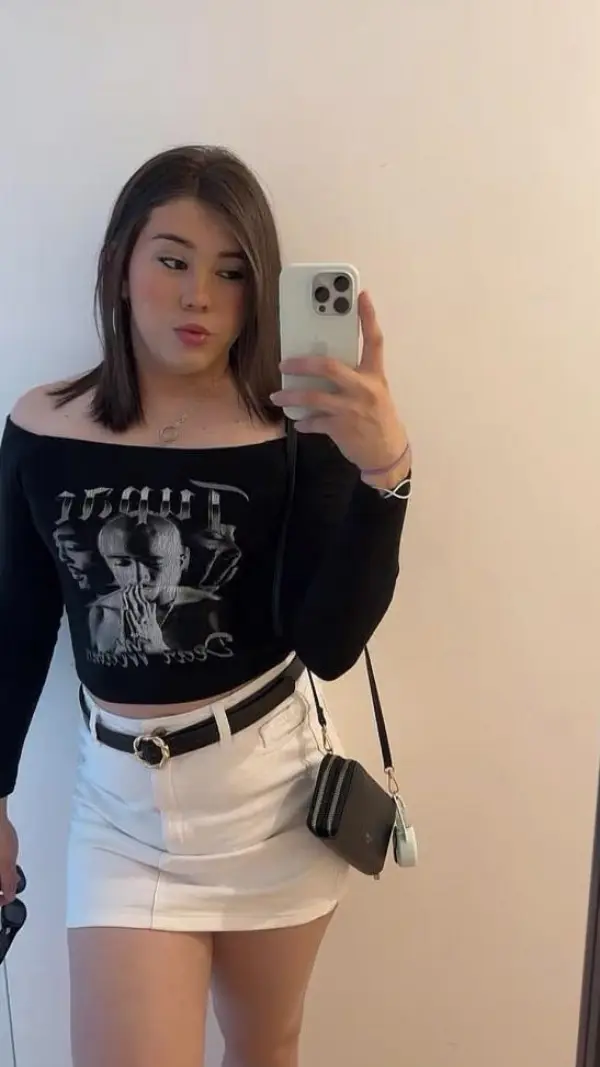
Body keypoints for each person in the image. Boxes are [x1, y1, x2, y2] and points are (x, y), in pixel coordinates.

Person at [0, 146, 412, 1067]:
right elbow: (16, 627)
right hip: (119, 812)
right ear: (121, 264)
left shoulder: (297, 431)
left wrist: (384, 473)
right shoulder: (42, 427)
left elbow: (329, 642)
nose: (199, 297)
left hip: (269, 796)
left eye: (231, 271)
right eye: (173, 259)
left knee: (264, 1047)